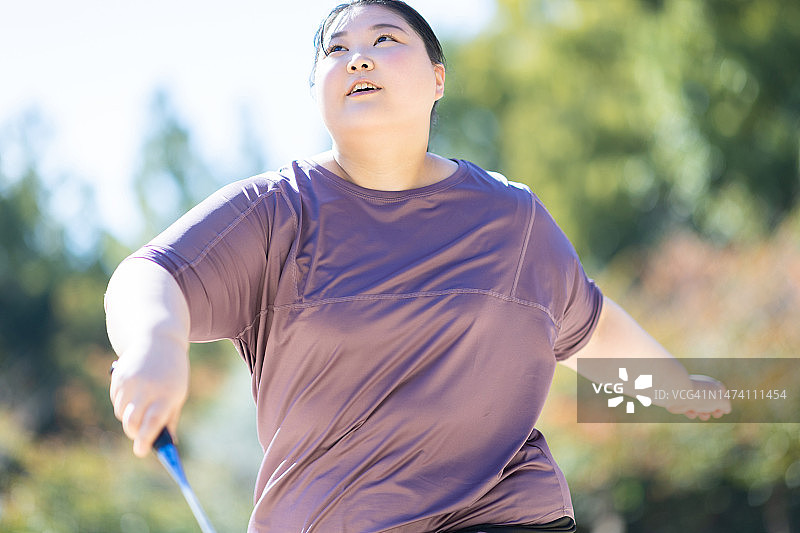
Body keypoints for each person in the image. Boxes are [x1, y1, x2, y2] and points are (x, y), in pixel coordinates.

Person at [105, 1, 731, 531]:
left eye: (384, 40)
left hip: (505, 514)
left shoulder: (511, 220)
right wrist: (156, 342)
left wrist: (676, 385)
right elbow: (150, 275)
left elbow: (588, 327)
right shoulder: (275, 212)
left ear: (437, 80)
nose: (358, 57)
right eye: (336, 49)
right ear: (316, 89)